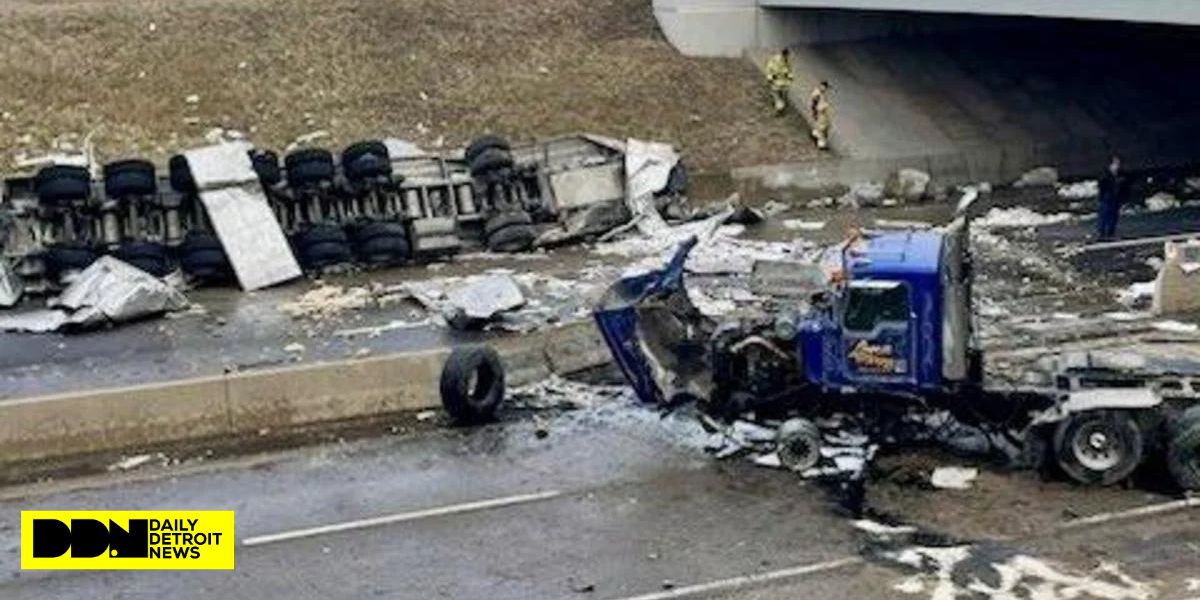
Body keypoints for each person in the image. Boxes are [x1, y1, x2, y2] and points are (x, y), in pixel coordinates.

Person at [1097, 155, 1129, 240]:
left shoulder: (1120, 174)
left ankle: (1111, 232)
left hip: (1116, 198)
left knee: (1114, 216)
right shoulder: (1105, 175)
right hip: (1107, 198)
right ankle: (1102, 233)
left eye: (1118, 164)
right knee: (1105, 215)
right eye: (1115, 164)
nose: (1117, 166)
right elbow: (1102, 186)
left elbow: (1124, 186)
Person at [765, 49, 794, 115]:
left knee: (784, 95)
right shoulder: (775, 60)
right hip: (776, 81)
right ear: (782, 54)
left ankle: (781, 106)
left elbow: (790, 70)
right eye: (786, 56)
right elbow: (769, 69)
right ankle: (779, 108)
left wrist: (790, 76)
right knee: (777, 95)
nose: (786, 57)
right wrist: (770, 77)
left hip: (785, 82)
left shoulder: (788, 61)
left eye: (787, 56)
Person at [809, 81, 832, 150]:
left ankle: (815, 134)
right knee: (823, 128)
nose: (826, 89)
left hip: (823, 112)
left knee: (820, 126)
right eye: (825, 87)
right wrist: (815, 112)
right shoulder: (817, 94)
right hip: (821, 113)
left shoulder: (820, 93)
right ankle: (821, 144)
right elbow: (814, 104)